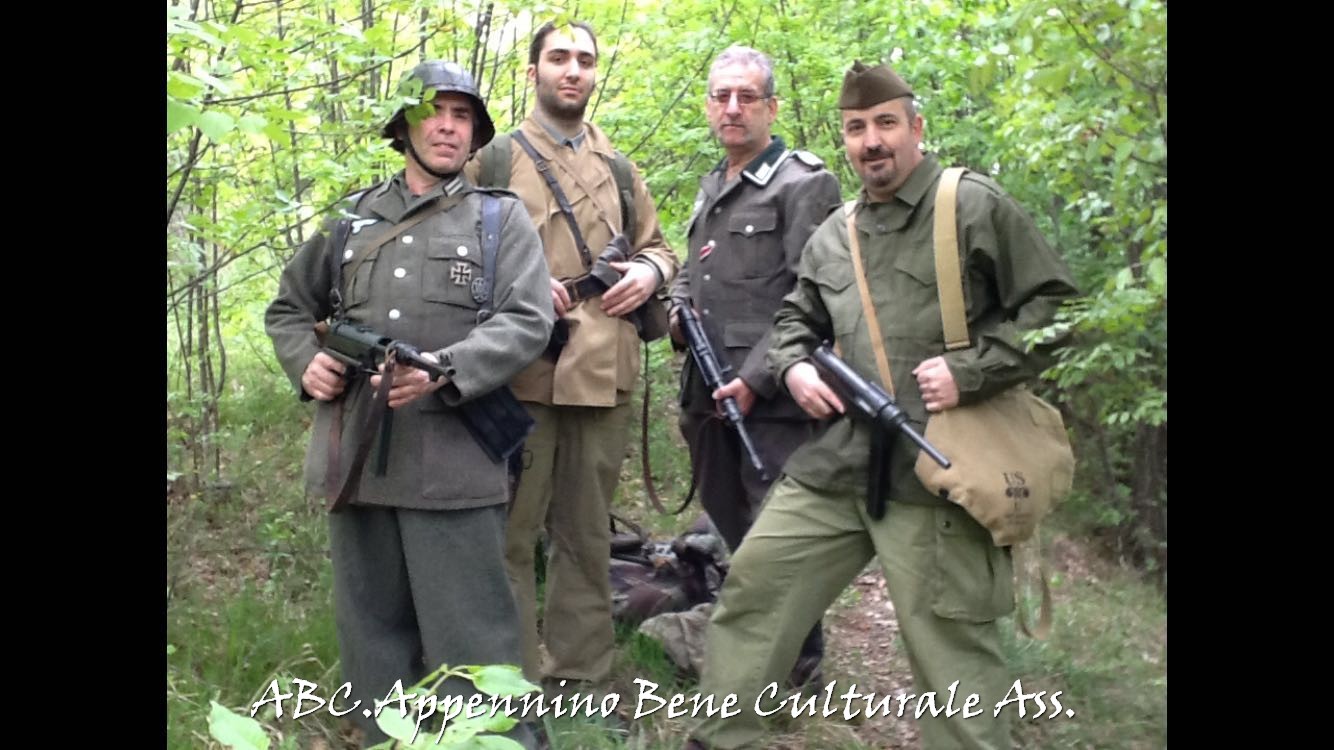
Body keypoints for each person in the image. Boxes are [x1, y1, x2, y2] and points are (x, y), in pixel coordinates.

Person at [684, 60, 1080, 750]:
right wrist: (793, 365)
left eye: (886, 124)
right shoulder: (837, 230)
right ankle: (718, 738)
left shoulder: (970, 206)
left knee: (952, 650)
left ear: (916, 127)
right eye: (856, 128)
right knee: (755, 591)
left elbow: (1056, 310)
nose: (872, 141)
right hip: (841, 461)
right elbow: (793, 318)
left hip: (939, 467)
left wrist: (972, 371)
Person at [264, 60, 552, 749]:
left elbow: (528, 320)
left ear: (475, 132)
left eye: (461, 116)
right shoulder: (349, 219)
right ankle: (388, 739)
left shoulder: (498, 219)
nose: (447, 127)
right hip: (355, 458)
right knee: (372, 632)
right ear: (404, 127)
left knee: (472, 634)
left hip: (454, 460)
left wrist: (445, 371)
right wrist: (308, 365)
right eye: (432, 113)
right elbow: (289, 309)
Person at [463, 21, 679, 695]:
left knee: (587, 536)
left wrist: (649, 271)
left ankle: (580, 678)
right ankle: (507, 684)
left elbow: (659, 245)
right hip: (520, 370)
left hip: (603, 368)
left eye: (584, 59)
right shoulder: (493, 160)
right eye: (558, 57)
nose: (573, 70)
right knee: (509, 535)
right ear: (533, 73)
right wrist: (517, 287)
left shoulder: (619, 169)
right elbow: (455, 255)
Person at [667, 44, 841, 689]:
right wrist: (677, 310)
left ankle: (797, 662)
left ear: (772, 106)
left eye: (747, 97)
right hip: (707, 390)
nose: (733, 108)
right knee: (732, 521)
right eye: (722, 97)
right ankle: (758, 648)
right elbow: (693, 275)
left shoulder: (804, 183)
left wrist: (759, 377)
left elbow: (814, 295)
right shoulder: (715, 182)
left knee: (779, 535)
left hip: (771, 398)